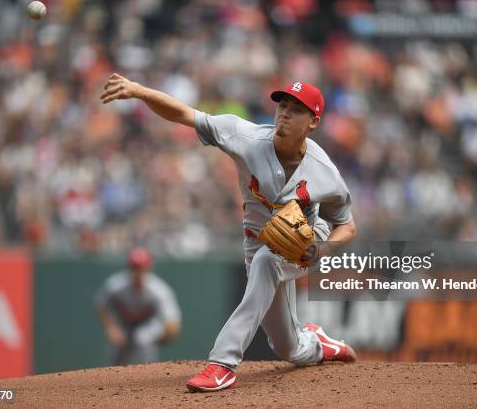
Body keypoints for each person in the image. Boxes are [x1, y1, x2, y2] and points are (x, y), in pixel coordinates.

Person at [101, 74, 357, 391]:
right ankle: (317, 343)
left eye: (296, 109)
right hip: (257, 244)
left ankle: (222, 363)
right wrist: (140, 91)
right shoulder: (245, 136)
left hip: (305, 244)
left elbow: (346, 225)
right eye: (283, 105)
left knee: (268, 261)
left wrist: (321, 249)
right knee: (287, 347)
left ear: (313, 121)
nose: (285, 113)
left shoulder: (324, 171)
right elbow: (185, 114)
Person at [95, 247, 181, 365]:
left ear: (149, 269)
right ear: (129, 268)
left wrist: (165, 335)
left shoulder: (159, 290)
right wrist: (111, 327)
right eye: (134, 267)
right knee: (116, 351)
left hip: (149, 324)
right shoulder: (115, 285)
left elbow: (172, 322)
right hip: (124, 325)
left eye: (142, 268)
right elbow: (101, 305)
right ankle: (112, 377)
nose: (138, 272)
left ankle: (149, 374)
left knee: (142, 338)